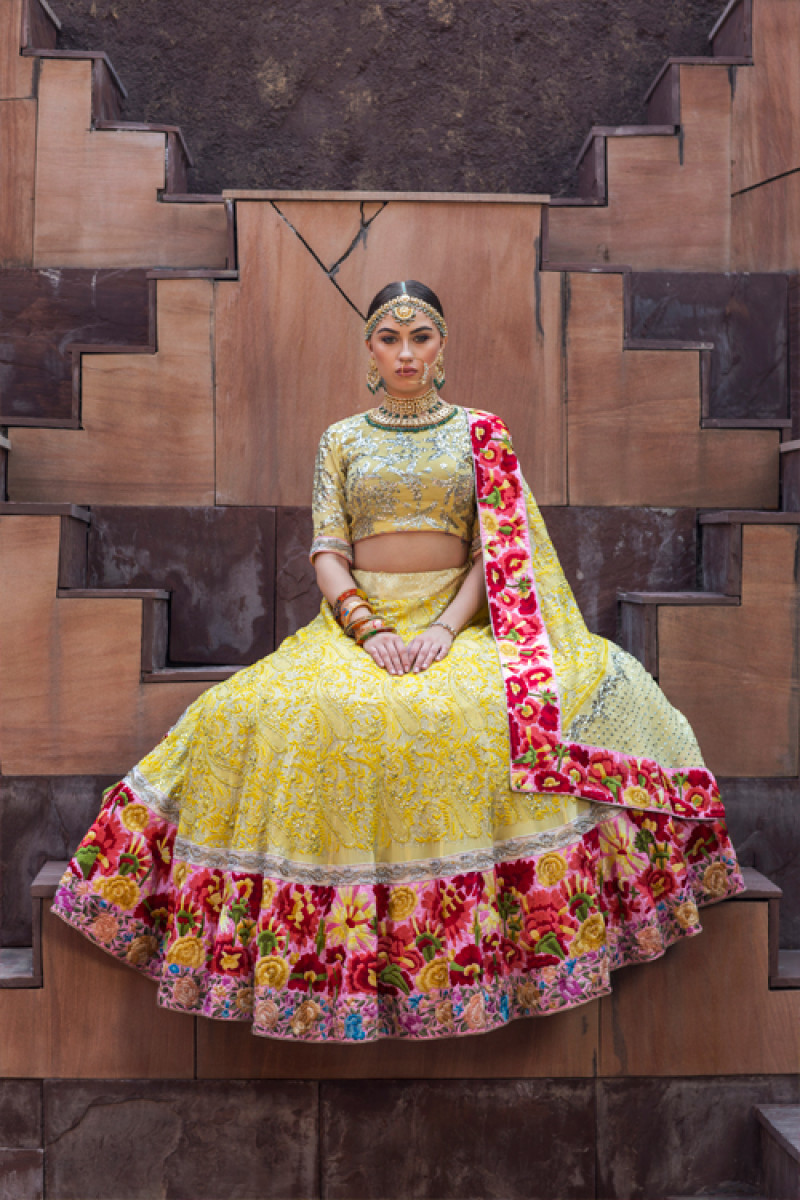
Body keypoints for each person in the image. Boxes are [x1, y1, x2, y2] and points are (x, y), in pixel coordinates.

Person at [52, 279, 743, 1043]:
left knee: (494, 704)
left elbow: (498, 552)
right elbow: (328, 549)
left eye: (420, 338)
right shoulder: (342, 438)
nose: (406, 353)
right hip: (355, 624)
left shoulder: (482, 432)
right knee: (254, 709)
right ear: (370, 351)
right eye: (390, 339)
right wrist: (367, 625)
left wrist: (447, 628)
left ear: (442, 346)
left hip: (462, 621)